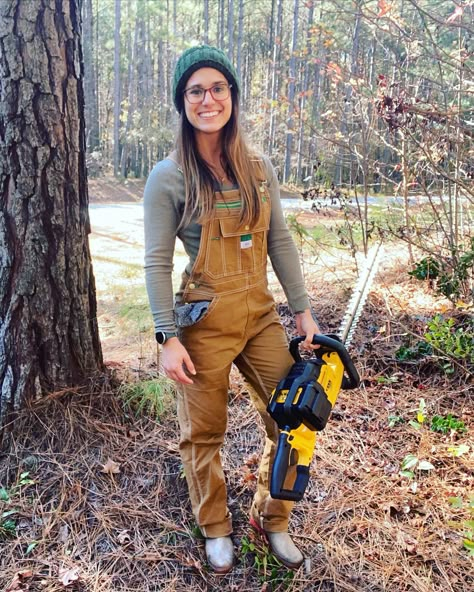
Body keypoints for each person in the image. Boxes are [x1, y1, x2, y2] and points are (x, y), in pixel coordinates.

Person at [144, 45, 321, 575]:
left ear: (232, 96)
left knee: (296, 419)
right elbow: (155, 263)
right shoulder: (169, 176)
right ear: (183, 101)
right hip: (202, 323)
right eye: (196, 90)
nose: (208, 99)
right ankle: (215, 526)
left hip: (260, 315)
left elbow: (281, 242)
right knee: (204, 432)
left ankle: (274, 518)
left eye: (218, 88)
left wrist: (303, 312)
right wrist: (165, 336)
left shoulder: (259, 167)